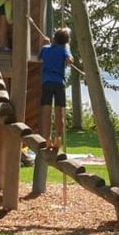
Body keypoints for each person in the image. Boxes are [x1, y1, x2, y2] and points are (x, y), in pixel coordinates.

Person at [38, 27, 74, 155]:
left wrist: (47, 44)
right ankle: (58, 139)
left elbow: (40, 58)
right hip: (59, 84)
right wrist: (67, 50)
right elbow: (70, 61)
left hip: (46, 82)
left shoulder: (45, 49)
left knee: (46, 112)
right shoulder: (64, 50)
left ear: (54, 38)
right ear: (66, 41)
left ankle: (47, 139)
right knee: (60, 112)